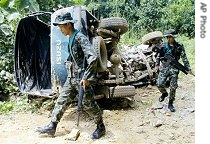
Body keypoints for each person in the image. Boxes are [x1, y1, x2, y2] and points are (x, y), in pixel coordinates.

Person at [36, 12, 105, 139]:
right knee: (62, 101)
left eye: (61, 26)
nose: (60, 29)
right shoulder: (71, 37)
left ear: (68, 24)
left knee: (88, 104)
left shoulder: (79, 37)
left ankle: (100, 127)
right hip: (71, 77)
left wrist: (87, 77)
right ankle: (52, 126)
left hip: (81, 79)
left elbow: (93, 57)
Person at [155, 29, 192, 112]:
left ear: (174, 37)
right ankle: (164, 93)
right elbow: (158, 56)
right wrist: (156, 65)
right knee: (159, 84)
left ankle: (170, 103)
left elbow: (184, 57)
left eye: (170, 37)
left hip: (174, 68)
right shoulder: (163, 46)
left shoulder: (179, 46)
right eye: (168, 37)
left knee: (173, 87)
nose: (169, 38)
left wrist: (188, 68)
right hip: (164, 67)